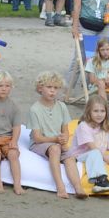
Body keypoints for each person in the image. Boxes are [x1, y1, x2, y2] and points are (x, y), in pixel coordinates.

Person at [29, 71, 84, 199]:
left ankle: (78, 187)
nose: (52, 91)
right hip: (41, 143)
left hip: (57, 141)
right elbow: (37, 138)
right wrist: (56, 140)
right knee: (55, 149)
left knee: (69, 157)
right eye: (49, 87)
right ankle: (60, 187)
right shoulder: (35, 109)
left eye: (55, 88)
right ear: (40, 88)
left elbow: (66, 130)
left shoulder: (62, 106)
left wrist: (64, 139)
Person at [0, 71, 23, 194]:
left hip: (8, 138)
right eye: (0, 86)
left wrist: (14, 141)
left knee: (13, 155)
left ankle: (17, 185)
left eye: (7, 86)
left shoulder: (14, 106)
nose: (4, 89)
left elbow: (16, 126)